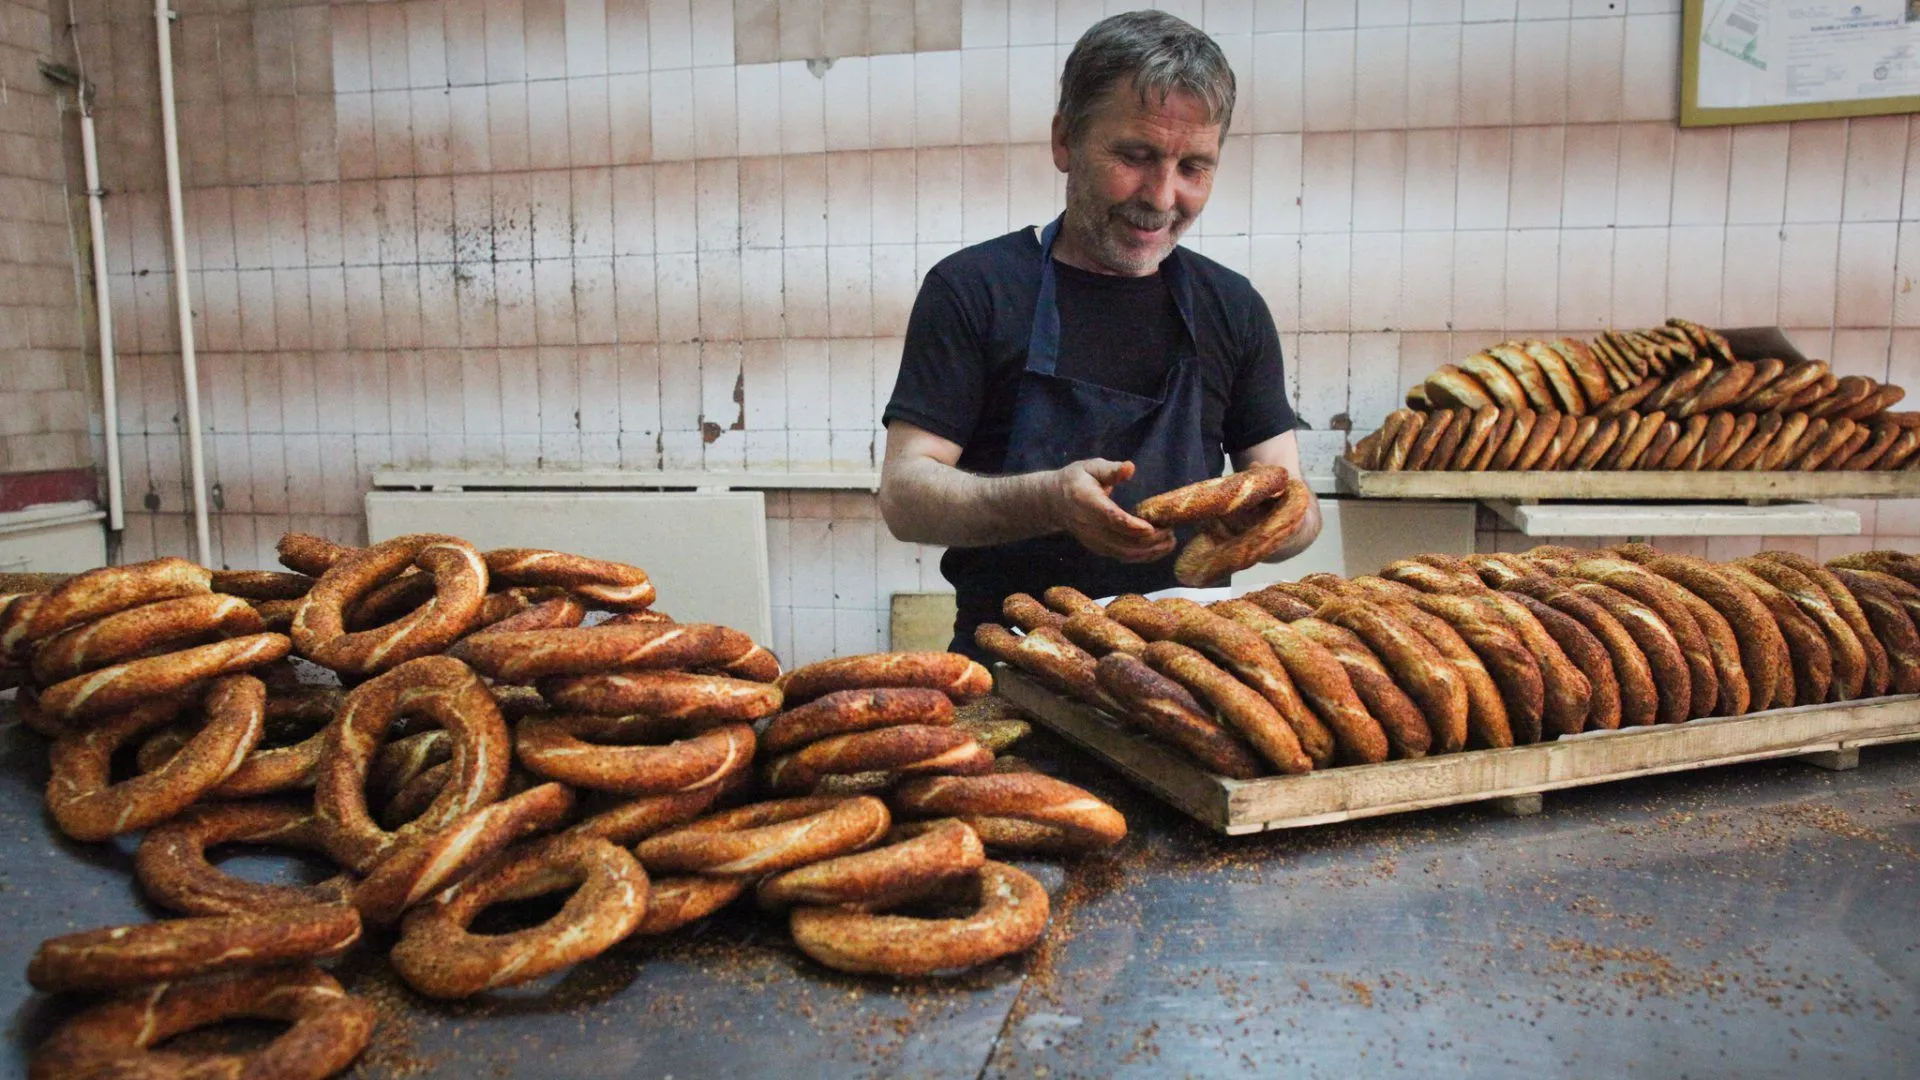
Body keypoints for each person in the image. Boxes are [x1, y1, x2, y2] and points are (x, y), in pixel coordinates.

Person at [877, 10, 1322, 659]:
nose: (1162, 197)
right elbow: (905, 496)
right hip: (1014, 665)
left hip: (1188, 673)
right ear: (1065, 141)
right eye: (1135, 157)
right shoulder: (975, 289)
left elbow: (1298, 506)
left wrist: (1270, 525)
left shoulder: (1232, 307)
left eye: (1193, 167)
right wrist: (1049, 500)